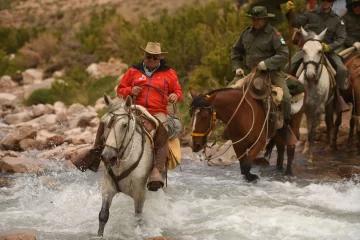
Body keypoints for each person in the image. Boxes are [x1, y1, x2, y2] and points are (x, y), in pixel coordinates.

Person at [71, 42, 183, 192]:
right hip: (134, 108)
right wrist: (130, 90)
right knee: (106, 120)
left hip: (157, 111)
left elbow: (177, 91)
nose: (150, 60)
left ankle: (156, 170)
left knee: (161, 129)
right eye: (148, 56)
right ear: (144, 56)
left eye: (154, 57)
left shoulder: (169, 73)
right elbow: (120, 90)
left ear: (160, 58)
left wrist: (175, 96)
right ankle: (95, 154)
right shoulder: (133, 71)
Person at [231, 5, 296, 144]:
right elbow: (236, 51)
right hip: (248, 72)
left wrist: (267, 63)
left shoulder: (274, 34)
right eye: (254, 19)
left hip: (271, 72)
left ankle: (284, 127)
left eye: (259, 19)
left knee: (286, 97)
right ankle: (230, 126)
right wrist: (237, 68)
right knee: (228, 91)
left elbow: (284, 54)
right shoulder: (246, 33)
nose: (256, 22)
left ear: (265, 19)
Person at [286, 0, 350, 112]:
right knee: (288, 66)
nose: (325, 2)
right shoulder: (310, 14)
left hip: (327, 50)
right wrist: (290, 11)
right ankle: (291, 94)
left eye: (328, 0)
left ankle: (337, 97)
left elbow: (341, 38)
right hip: (309, 49)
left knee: (341, 70)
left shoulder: (337, 19)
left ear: (332, 3)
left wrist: (329, 47)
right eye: (323, 0)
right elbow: (296, 22)